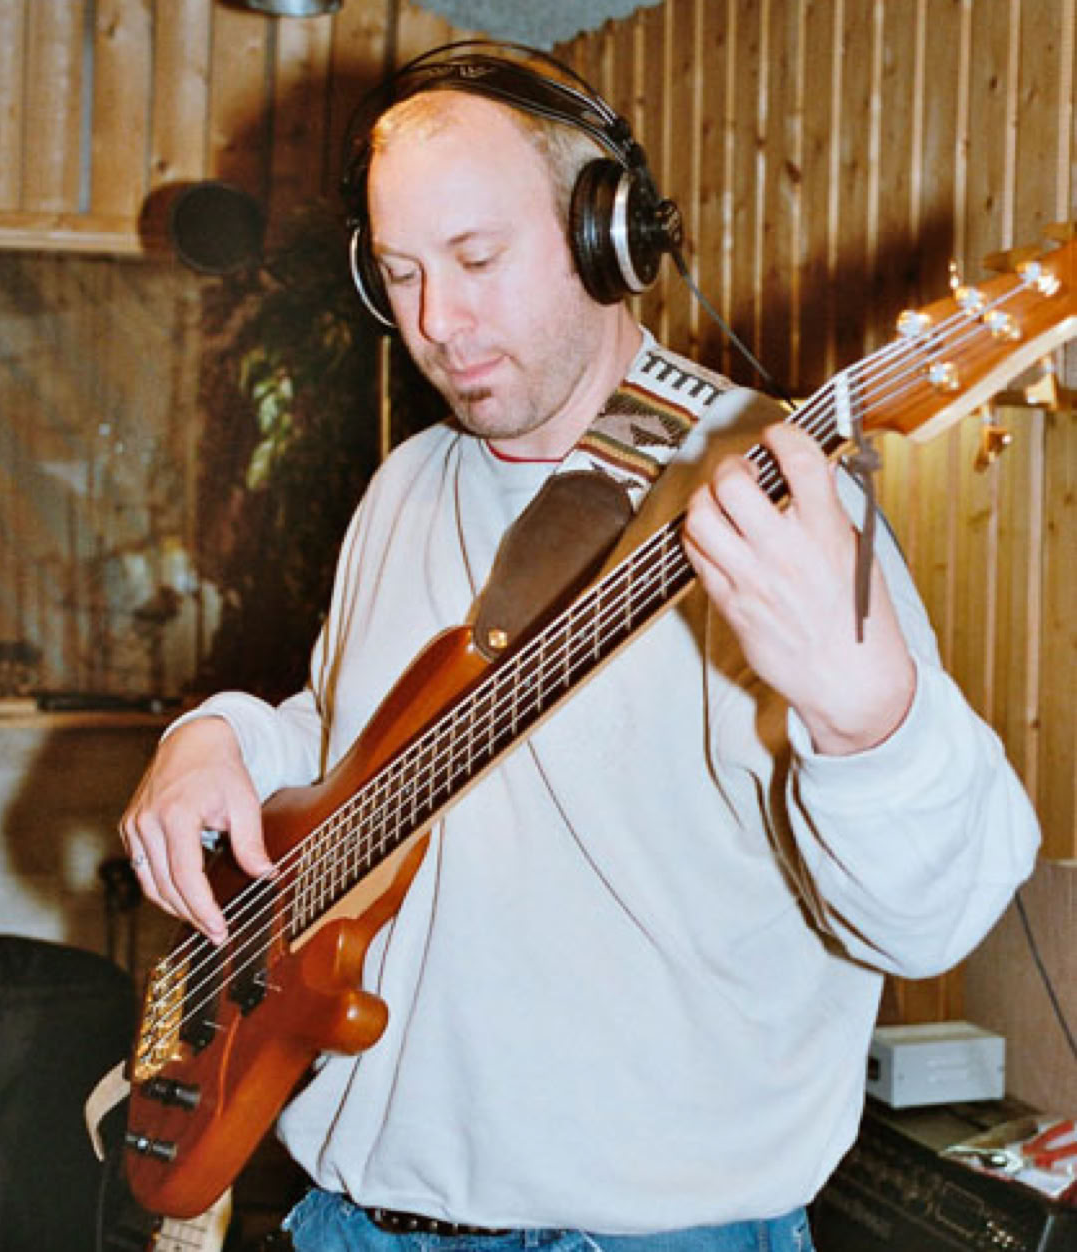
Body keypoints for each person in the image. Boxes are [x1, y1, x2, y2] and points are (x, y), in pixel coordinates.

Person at [121, 43, 1040, 1252]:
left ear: (604, 237)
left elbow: (929, 919)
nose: (436, 321)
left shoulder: (765, 507)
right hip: (349, 1221)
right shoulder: (410, 481)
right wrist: (217, 738)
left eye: (476, 260)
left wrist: (868, 720)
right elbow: (349, 733)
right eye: (399, 274)